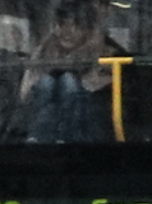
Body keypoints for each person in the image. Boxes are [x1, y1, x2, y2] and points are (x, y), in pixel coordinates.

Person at [22, 0, 123, 142]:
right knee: (46, 82)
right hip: (45, 138)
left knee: (68, 81)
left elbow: (105, 89)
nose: (67, 31)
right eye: (62, 24)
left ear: (87, 29)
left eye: (75, 25)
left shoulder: (107, 53)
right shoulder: (45, 49)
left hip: (84, 131)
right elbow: (26, 88)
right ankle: (37, 138)